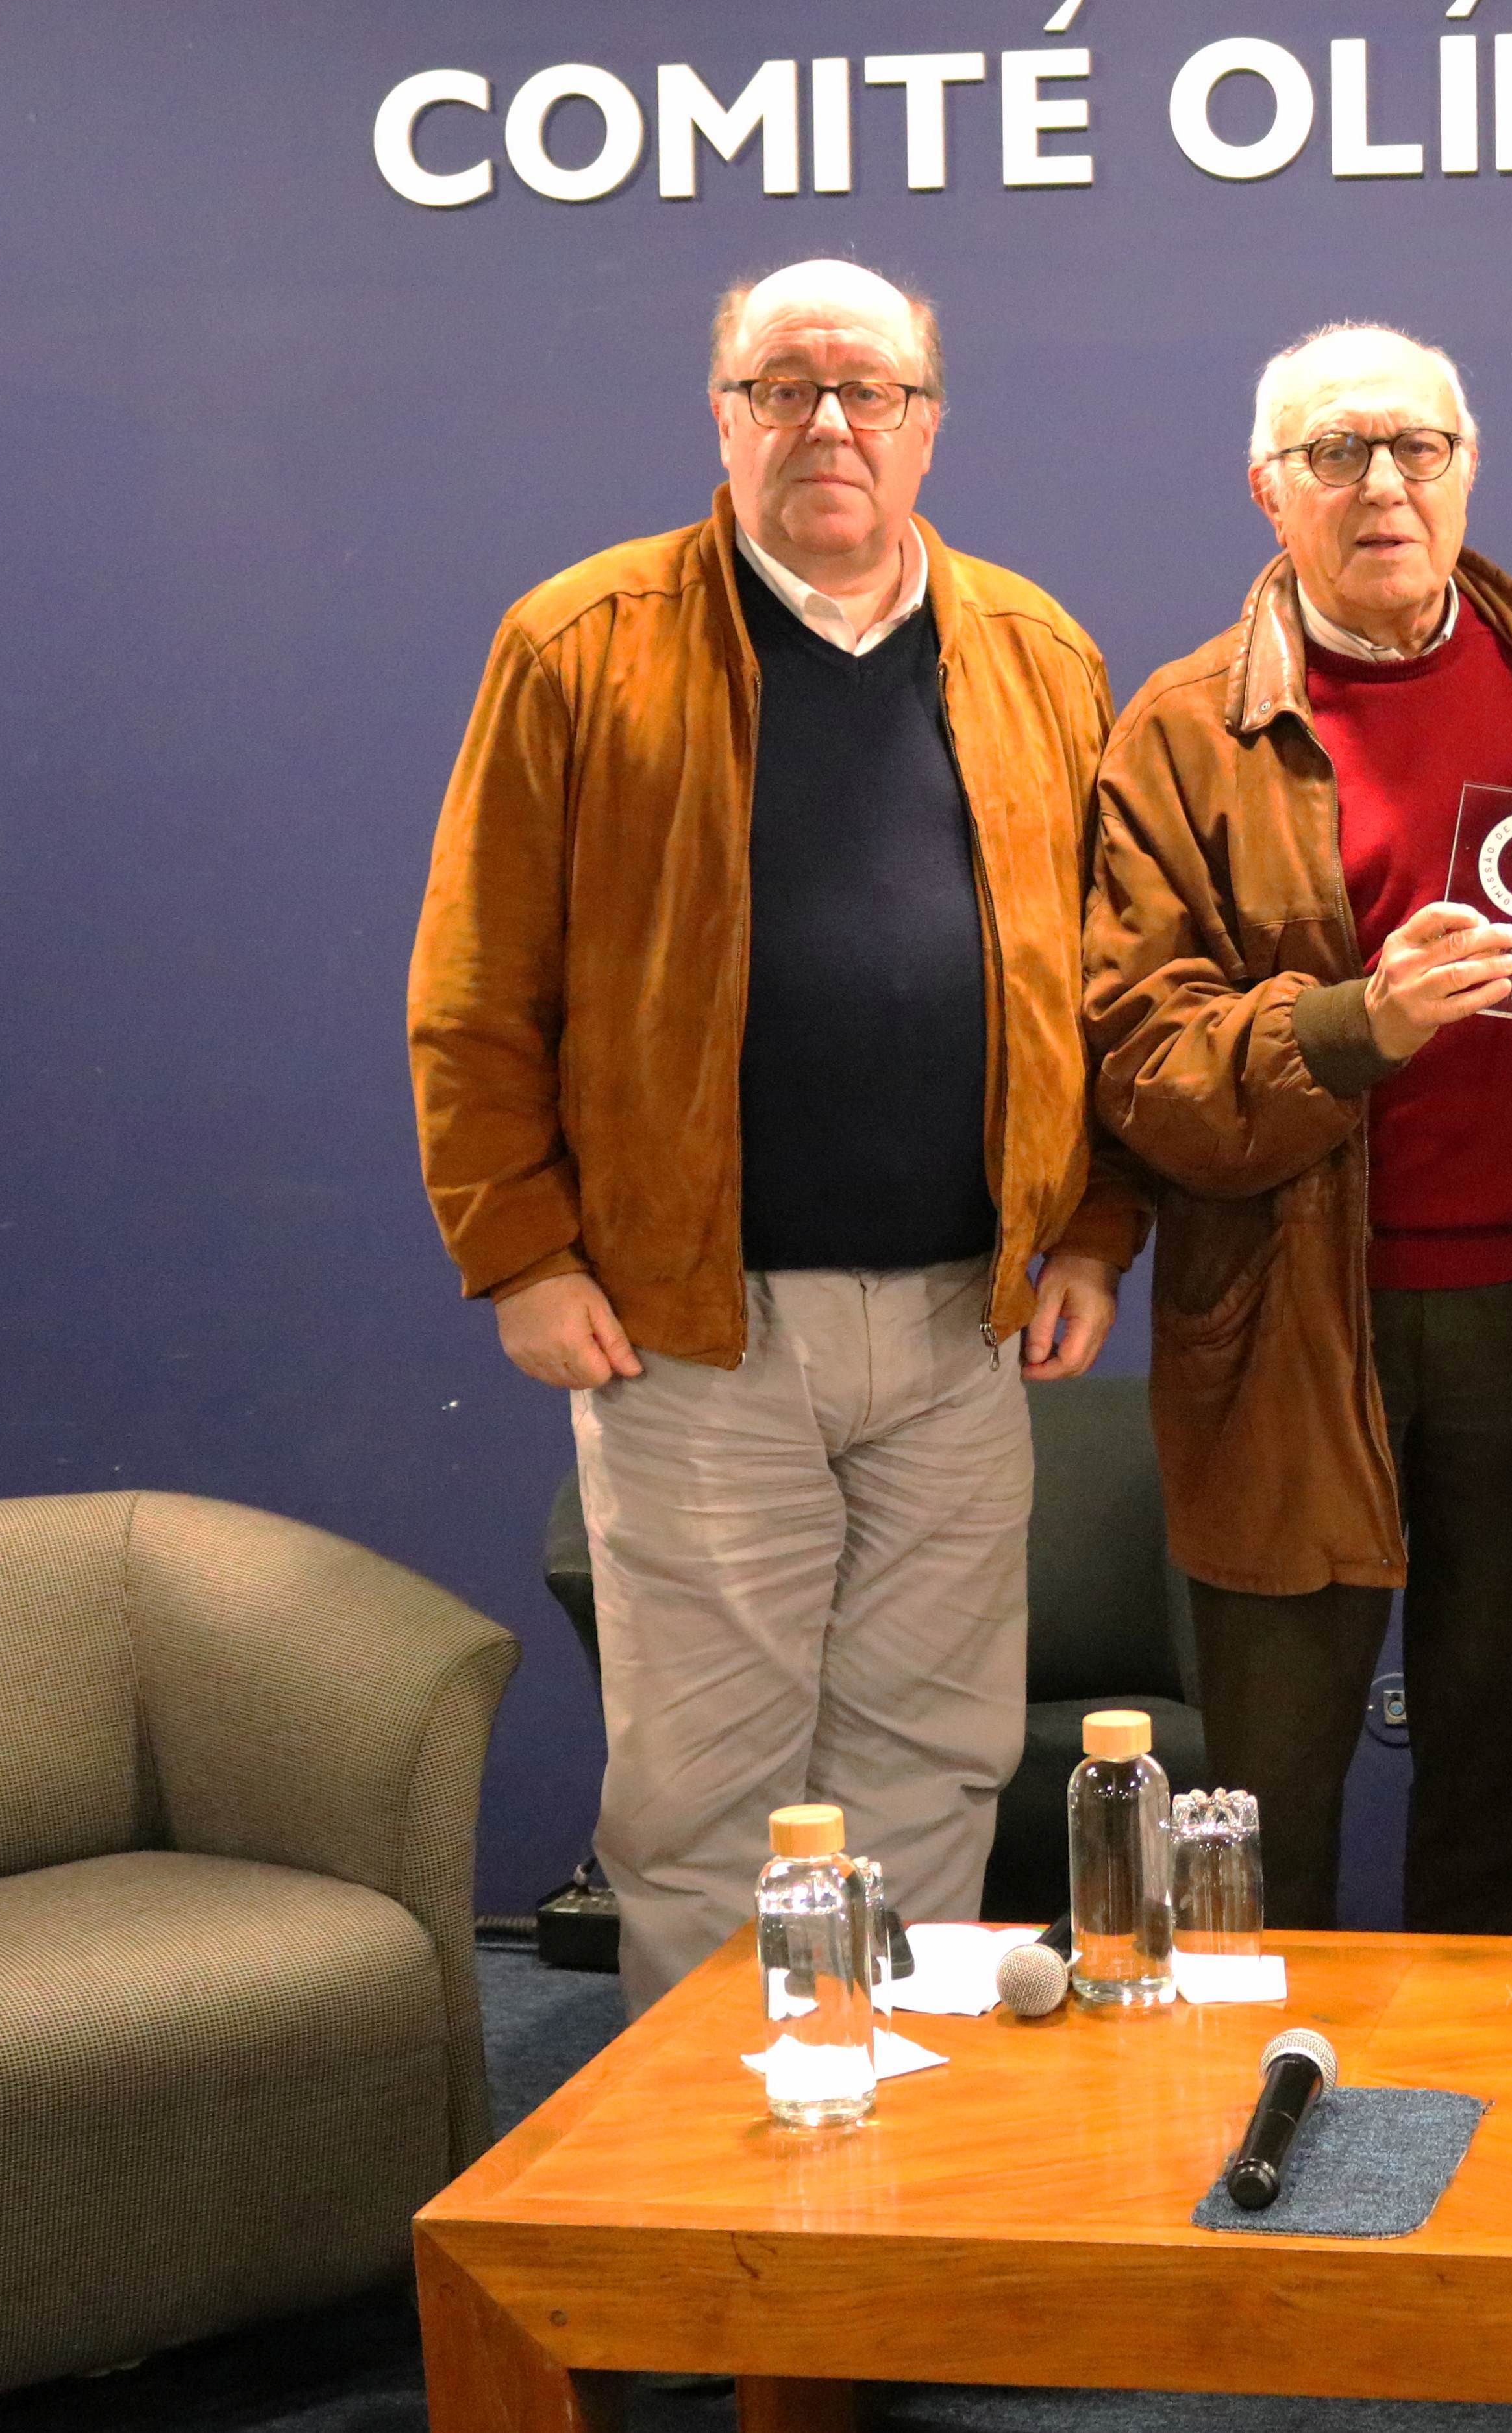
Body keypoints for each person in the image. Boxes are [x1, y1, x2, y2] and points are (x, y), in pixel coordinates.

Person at [409, 258, 1134, 2012]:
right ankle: (722, 2144)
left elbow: (1107, 981)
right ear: (722, 417)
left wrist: (1097, 1230)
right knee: (706, 1794)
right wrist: (519, 1252)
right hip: (695, 1329)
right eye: (783, 387)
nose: (829, 423)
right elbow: (477, 978)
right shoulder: (581, 642)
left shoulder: (1038, 653)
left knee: (933, 1764)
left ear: (927, 423)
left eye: (869, 389)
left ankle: (893, 2116)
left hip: (967, 1324)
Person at [1085, 323, 1512, 1936]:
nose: (1383, 485)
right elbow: (1141, 1062)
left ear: (1468, 471)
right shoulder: (1184, 731)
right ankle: (1254, 2071)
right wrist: (1360, 1027)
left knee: (1509, 1759)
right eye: (1336, 453)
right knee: (1263, 1788)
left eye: (1417, 448)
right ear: (1268, 491)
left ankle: (1475, 2079)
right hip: (1295, 1318)